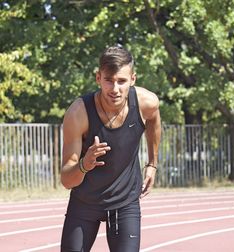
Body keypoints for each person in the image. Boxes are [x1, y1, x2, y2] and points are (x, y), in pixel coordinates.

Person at [60, 45, 161, 252]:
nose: (115, 89)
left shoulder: (147, 103)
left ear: (133, 79)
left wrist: (152, 163)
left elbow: (154, 122)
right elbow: (66, 180)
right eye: (109, 80)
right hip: (84, 202)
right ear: (98, 78)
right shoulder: (78, 113)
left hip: (125, 201)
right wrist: (84, 165)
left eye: (122, 81)